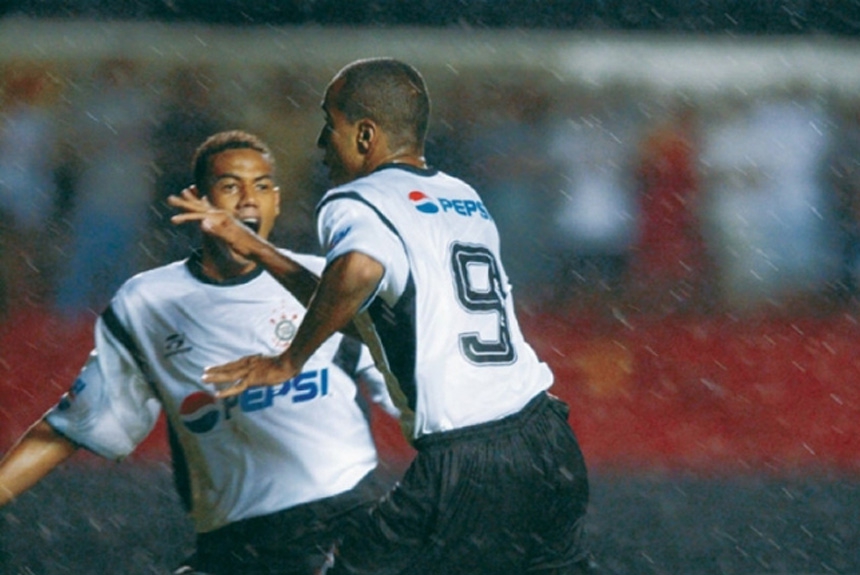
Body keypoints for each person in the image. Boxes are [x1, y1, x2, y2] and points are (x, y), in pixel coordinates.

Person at [169, 58, 593, 574]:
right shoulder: (463, 196)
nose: (322, 142)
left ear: (366, 134)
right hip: (546, 440)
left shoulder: (356, 198)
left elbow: (358, 271)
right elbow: (362, 313)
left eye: (330, 124)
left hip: (469, 457)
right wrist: (257, 248)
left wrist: (289, 360)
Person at [0, 130, 399, 575]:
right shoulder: (147, 302)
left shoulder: (324, 281)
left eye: (262, 186)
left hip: (343, 529)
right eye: (231, 186)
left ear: (277, 202)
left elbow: (420, 390)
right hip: (233, 546)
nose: (249, 199)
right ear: (198, 199)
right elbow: (72, 427)